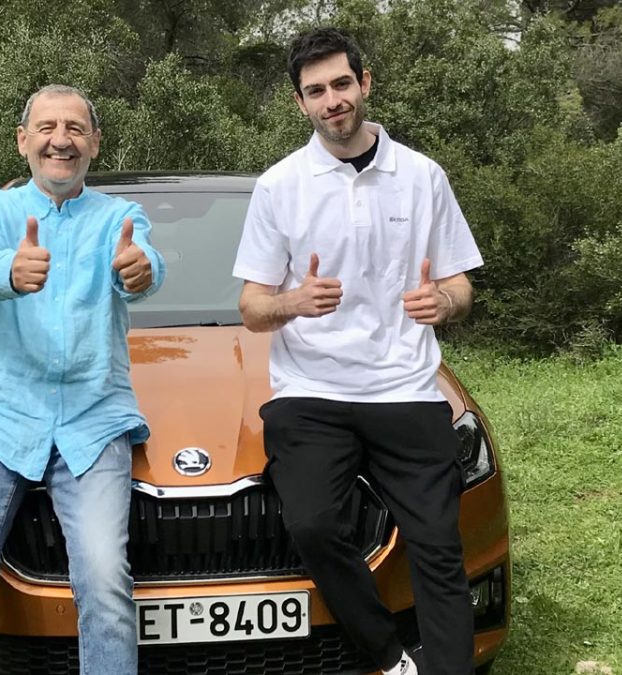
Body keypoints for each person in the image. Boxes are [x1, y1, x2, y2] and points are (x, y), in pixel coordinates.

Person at [232, 27, 482, 675]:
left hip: (406, 388)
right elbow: (253, 308)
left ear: (364, 84)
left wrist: (444, 302)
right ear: (300, 103)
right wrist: (294, 301)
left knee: (437, 543)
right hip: (311, 393)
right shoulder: (279, 186)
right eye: (316, 91)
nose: (332, 100)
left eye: (341, 84)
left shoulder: (423, 177)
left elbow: (460, 284)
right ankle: (389, 656)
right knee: (313, 526)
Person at [0, 84, 165, 675]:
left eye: (76, 129)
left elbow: (145, 265)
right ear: (23, 140)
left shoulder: (120, 217)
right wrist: (9, 270)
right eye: (48, 128)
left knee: (106, 583)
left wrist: (140, 271)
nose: (62, 140)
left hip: (94, 417)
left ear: (95, 144)